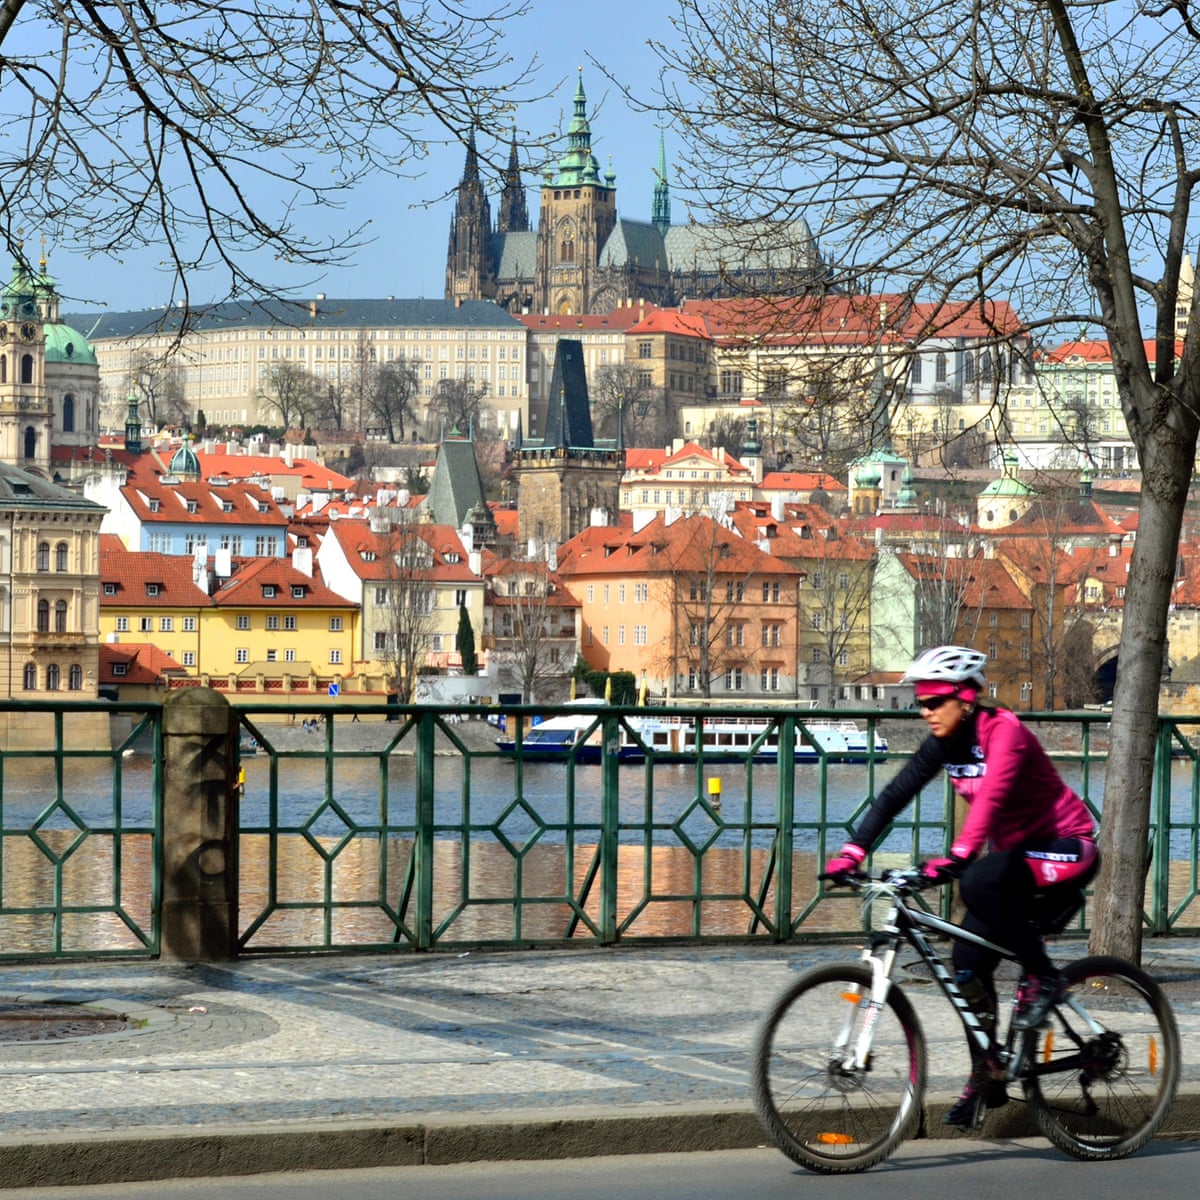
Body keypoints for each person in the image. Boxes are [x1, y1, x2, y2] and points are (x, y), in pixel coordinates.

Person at [821, 645, 1099, 1129]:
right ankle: (987, 1071)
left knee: (977, 878)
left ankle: (1044, 976)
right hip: (1015, 864)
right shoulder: (945, 743)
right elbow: (894, 794)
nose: (924, 711)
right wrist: (853, 851)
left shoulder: (1003, 731)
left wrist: (957, 856)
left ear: (966, 698)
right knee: (966, 965)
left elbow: (988, 804)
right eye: (919, 703)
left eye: (933, 702)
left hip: (1067, 847)